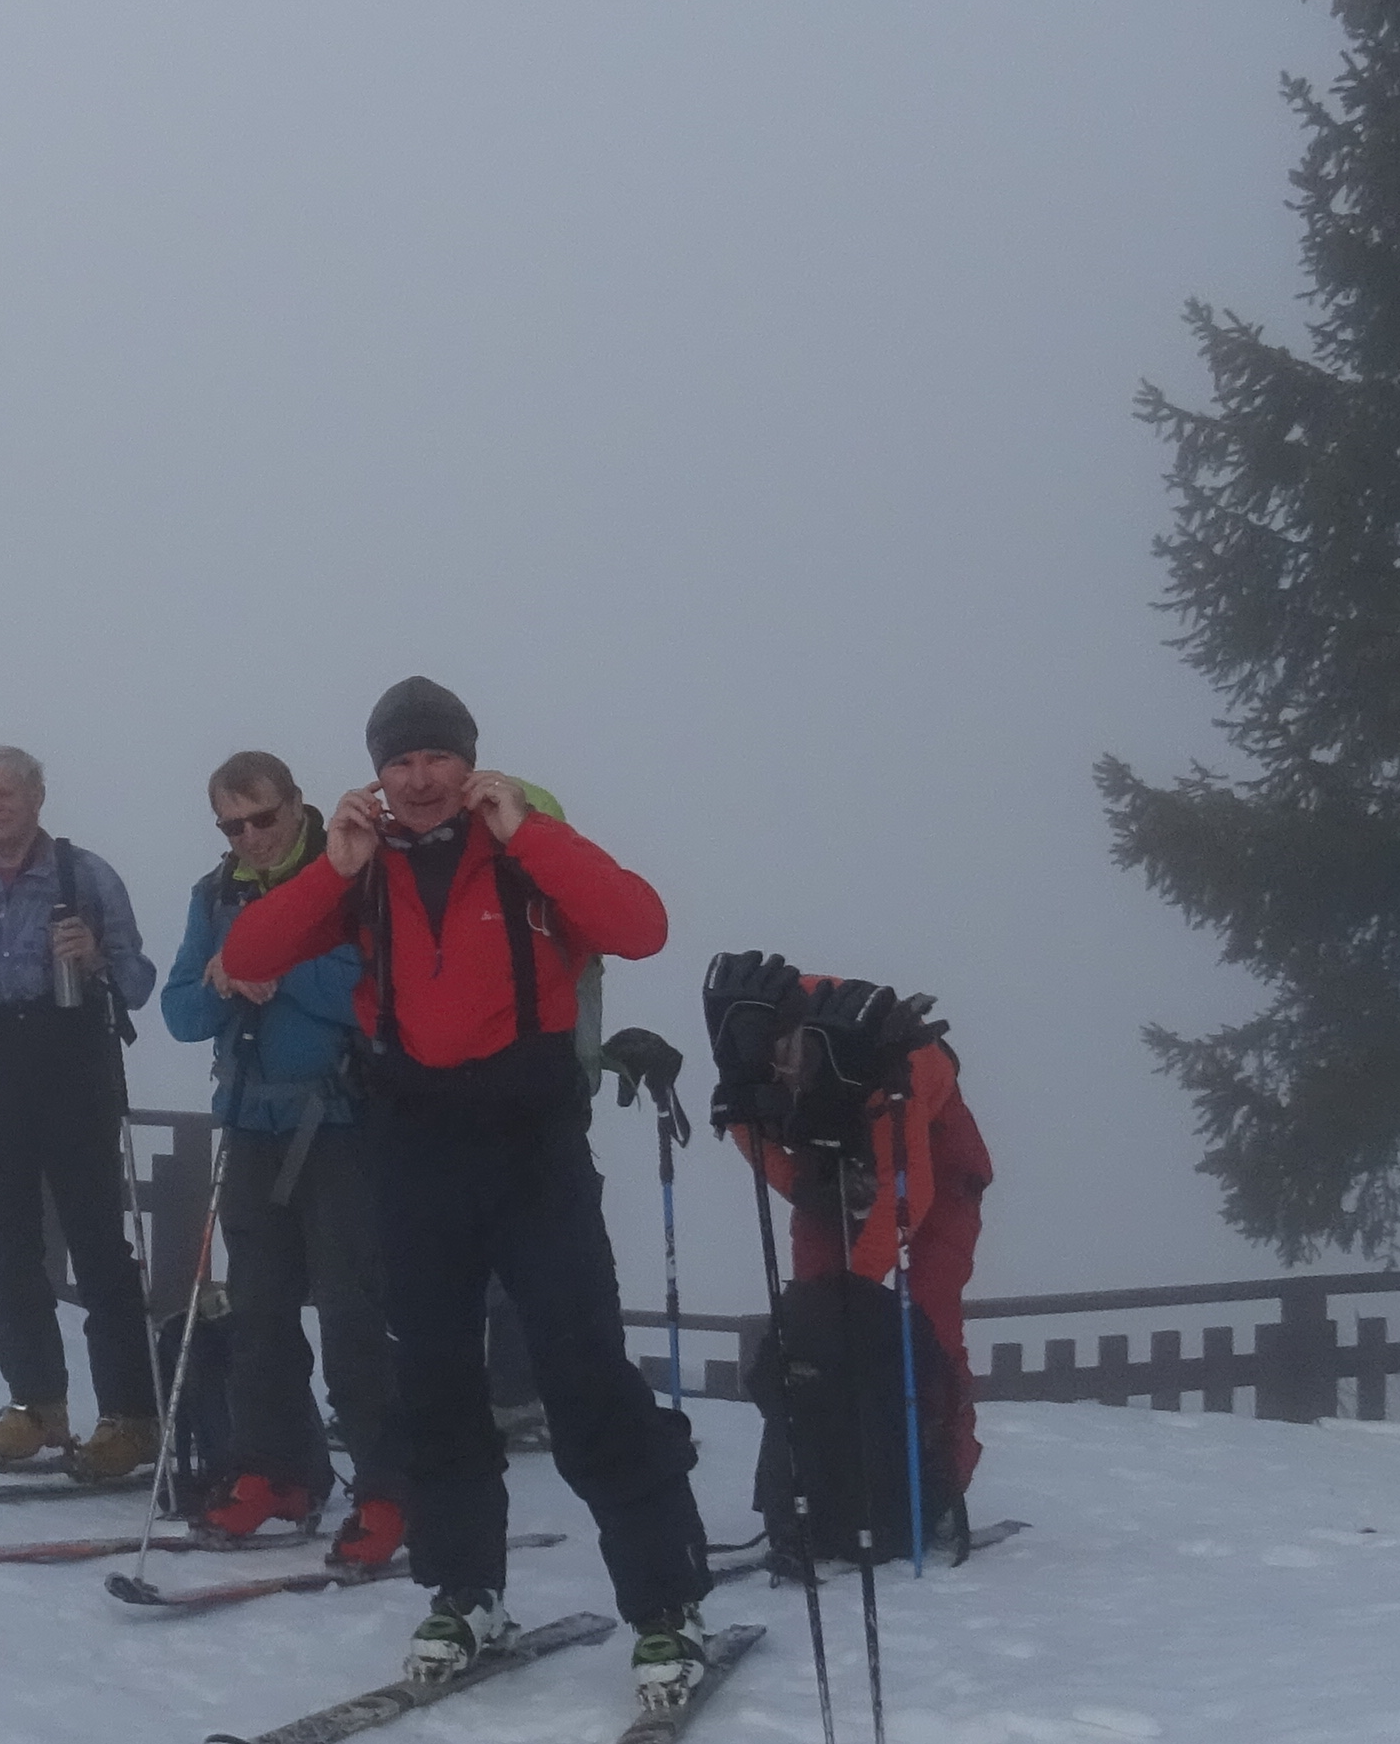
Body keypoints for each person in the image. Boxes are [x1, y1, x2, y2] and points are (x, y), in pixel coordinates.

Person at [203, 678, 712, 1688]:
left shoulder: (524, 853)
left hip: (533, 1151)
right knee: (433, 1384)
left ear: (469, 761)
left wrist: (529, 834)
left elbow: (640, 925)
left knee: (584, 1373)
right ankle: (464, 1590)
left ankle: (666, 1604)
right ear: (379, 773)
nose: (419, 777)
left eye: (437, 755)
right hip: (414, 1149)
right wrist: (334, 866)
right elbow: (249, 951)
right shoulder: (365, 871)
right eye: (400, 761)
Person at [164, 749, 401, 1564]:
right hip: (251, 1125)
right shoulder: (214, 894)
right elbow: (179, 1013)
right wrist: (226, 980)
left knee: (351, 1314)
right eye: (232, 826)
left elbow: (373, 996)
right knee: (259, 1313)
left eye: (263, 818)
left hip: (341, 1125)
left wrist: (272, 962)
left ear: (297, 805)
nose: (251, 837)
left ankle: (386, 1486)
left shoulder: (349, 878)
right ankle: (276, 1471)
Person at [0, 748, 164, 1478]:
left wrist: (96, 958)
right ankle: (36, 1406)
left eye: (6, 794)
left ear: (37, 798)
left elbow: (138, 981)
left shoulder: (85, 876)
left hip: (75, 1064)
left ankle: (130, 1416)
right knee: (4, 1244)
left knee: (97, 1242)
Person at [716, 961, 993, 1550]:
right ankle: (822, 1485)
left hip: (933, 1163)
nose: (782, 1074)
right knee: (810, 1329)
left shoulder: (884, 1055)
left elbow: (909, 1196)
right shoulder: (742, 1047)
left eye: (789, 1058)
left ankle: (939, 1483)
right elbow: (751, 1135)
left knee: (929, 1322)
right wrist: (807, 1190)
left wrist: (855, 1296)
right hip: (828, 1167)